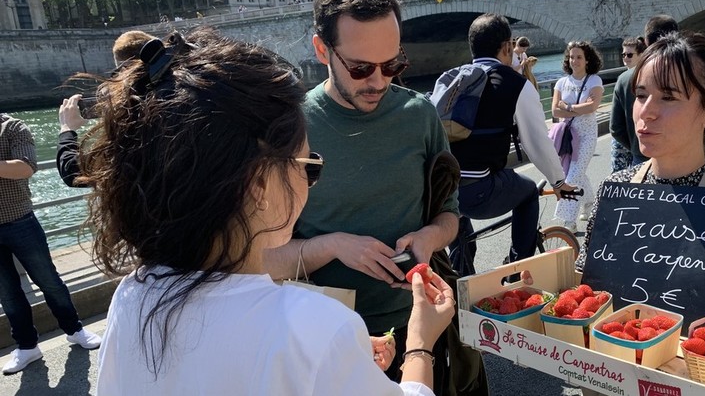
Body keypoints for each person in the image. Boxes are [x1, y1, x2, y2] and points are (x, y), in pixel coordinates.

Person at [85, 28, 455, 393]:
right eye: (309, 165)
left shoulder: (133, 296)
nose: (313, 180)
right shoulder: (318, 329)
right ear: (259, 184)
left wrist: (338, 360)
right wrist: (420, 344)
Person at [261, 0, 477, 393]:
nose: (379, 81)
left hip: (418, 330)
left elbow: (450, 216)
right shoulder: (289, 131)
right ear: (322, 50)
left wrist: (427, 238)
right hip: (323, 347)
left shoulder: (420, 114)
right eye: (360, 68)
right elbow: (263, 261)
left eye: (392, 64)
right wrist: (335, 245)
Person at [575, 32, 705, 271]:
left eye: (668, 97)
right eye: (641, 95)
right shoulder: (614, 191)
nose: (646, 111)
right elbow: (585, 284)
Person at [447, 14, 574, 277]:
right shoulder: (516, 84)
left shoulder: (452, 80)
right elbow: (537, 141)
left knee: (460, 234)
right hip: (480, 191)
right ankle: (516, 270)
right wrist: (558, 182)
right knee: (528, 192)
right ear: (507, 47)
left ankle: (461, 275)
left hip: (442, 190)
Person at [0, 113, 101, 375]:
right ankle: (26, 346)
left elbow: (25, 167)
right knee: (7, 293)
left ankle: (75, 329)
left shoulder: (11, 127)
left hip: (19, 220)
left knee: (49, 282)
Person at [58, 30, 158, 188]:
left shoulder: (134, 120)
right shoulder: (188, 95)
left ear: (124, 70)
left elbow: (75, 173)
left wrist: (67, 130)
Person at [610, 16, 678, 177]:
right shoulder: (687, 76)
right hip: (680, 158)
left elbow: (616, 128)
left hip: (641, 158)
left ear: (646, 41)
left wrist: (636, 146)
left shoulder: (626, 79)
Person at [551, 41, 604, 232]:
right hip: (568, 136)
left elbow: (592, 107)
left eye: (579, 57)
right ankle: (589, 201)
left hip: (587, 135)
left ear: (587, 59)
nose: (574, 61)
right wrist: (578, 109)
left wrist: (568, 107)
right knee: (576, 172)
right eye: (571, 57)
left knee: (572, 175)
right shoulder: (561, 82)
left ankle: (568, 221)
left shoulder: (594, 81)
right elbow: (555, 111)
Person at [609, 36, 646, 173]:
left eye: (629, 54)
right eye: (623, 54)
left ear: (641, 55)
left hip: (633, 147)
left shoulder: (622, 80)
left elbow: (615, 127)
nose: (625, 58)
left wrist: (633, 146)